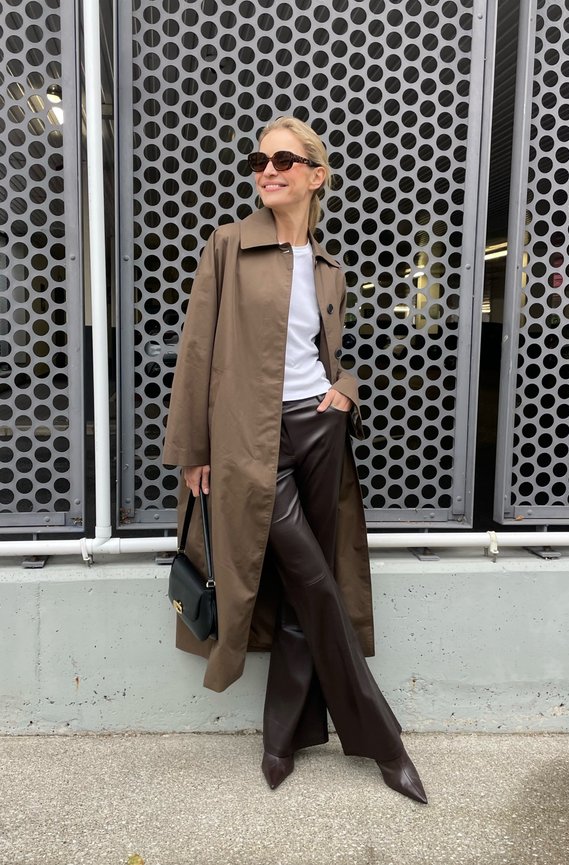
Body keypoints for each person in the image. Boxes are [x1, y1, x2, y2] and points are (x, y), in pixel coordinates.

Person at [162, 116, 427, 804]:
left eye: (284, 158)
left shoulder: (329, 267)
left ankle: (281, 738)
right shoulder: (227, 246)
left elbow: (327, 355)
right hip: (251, 441)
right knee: (312, 577)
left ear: (316, 175)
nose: (267, 169)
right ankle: (381, 739)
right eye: (258, 159)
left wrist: (345, 391)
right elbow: (196, 351)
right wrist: (193, 446)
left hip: (319, 430)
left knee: (307, 591)